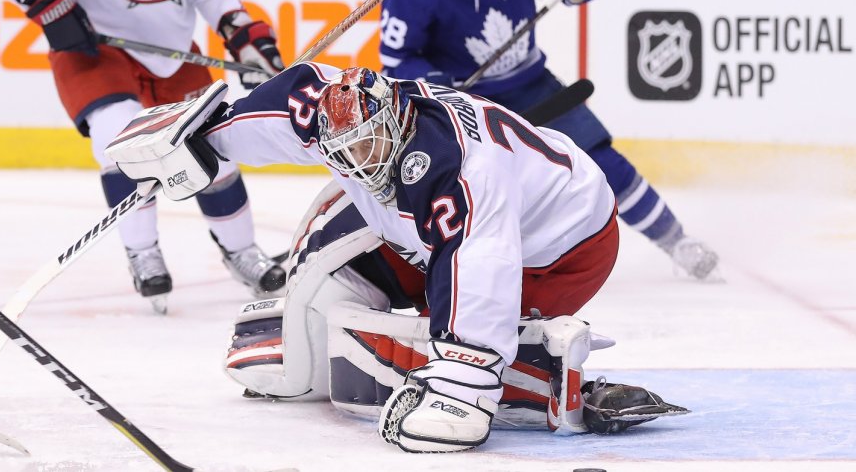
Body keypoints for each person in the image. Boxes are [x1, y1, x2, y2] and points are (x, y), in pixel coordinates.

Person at [104, 63, 688, 452]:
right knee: (307, 347)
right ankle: (334, 336)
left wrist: (462, 391)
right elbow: (283, 104)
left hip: (561, 248)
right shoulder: (344, 114)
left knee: (442, 346)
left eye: (366, 144)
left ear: (398, 121)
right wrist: (203, 141)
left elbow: (479, 268)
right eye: (342, 150)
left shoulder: (461, 175)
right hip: (430, 224)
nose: (356, 158)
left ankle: (544, 374)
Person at [378, 0, 720, 280]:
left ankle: (676, 240)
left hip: (532, 86)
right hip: (465, 100)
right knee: (463, 187)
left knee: (602, 161)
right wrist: (428, 78)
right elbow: (396, 58)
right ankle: (446, 264)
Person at [0, 0, 288, 312]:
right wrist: (50, 6)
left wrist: (244, 35)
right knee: (117, 133)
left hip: (170, 48)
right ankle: (143, 252)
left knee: (210, 146)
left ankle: (242, 250)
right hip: (92, 47)